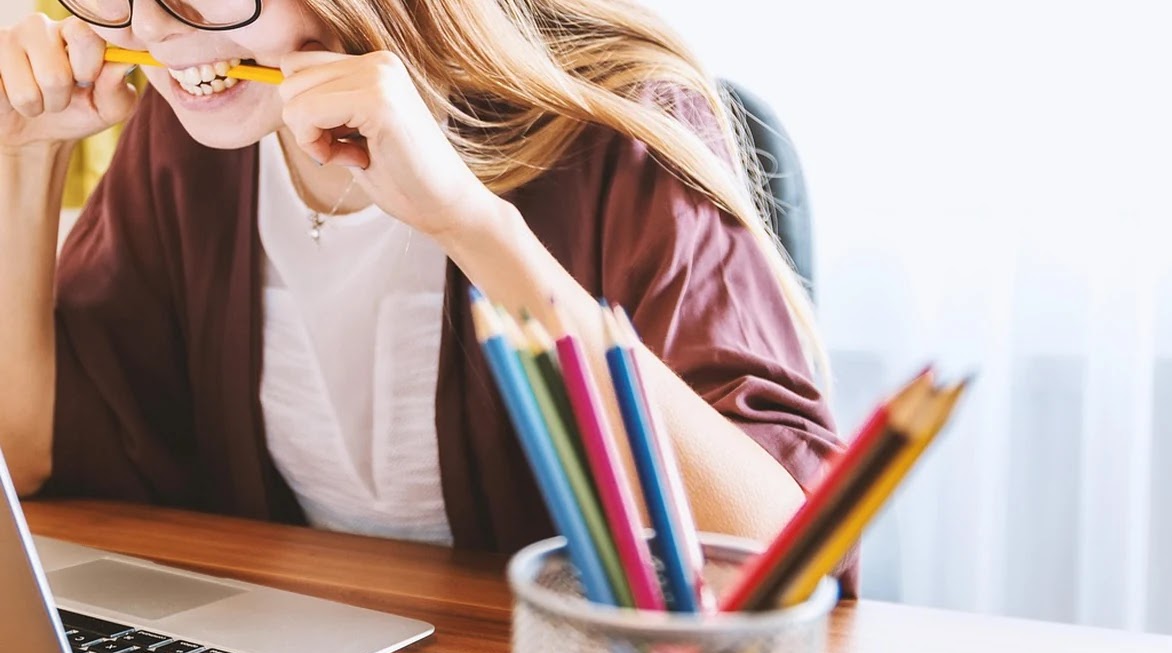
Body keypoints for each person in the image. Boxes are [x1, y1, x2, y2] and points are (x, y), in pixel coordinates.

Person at [0, 0, 852, 588]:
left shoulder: (615, 131)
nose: (150, 30)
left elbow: (781, 560)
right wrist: (24, 156)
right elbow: (30, 451)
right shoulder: (188, 142)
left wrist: (467, 224)